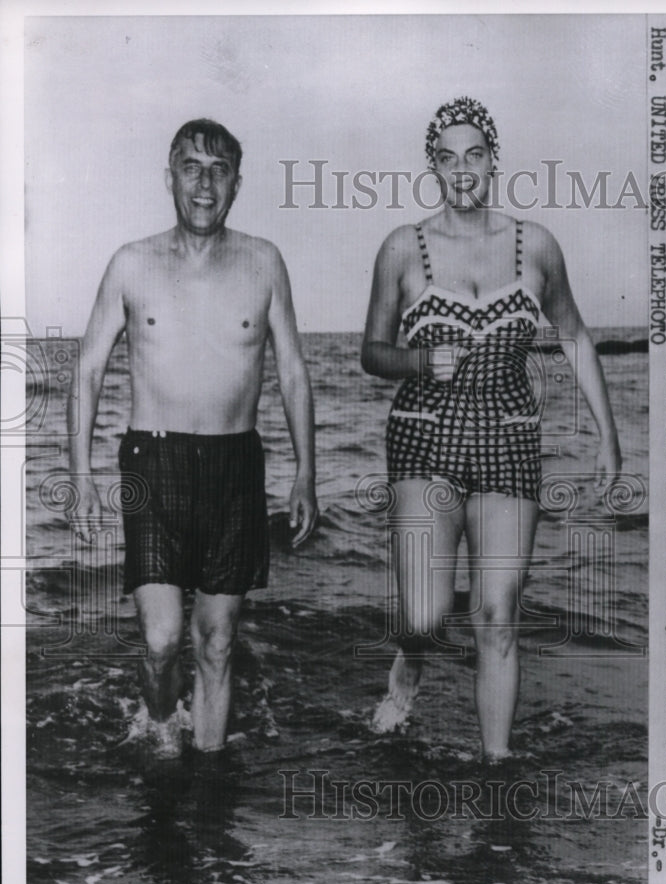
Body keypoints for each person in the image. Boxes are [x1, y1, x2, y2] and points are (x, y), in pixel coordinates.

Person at [361, 97, 621, 762]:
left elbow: (575, 336)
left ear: (493, 158)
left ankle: (496, 772)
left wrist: (608, 438)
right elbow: (371, 352)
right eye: (448, 158)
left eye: (474, 154)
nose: (463, 169)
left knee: (497, 618)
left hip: (508, 439)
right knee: (424, 615)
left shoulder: (534, 245)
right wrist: (418, 359)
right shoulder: (402, 248)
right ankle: (411, 657)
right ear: (434, 167)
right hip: (424, 439)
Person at [68, 119, 317, 756]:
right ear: (170, 176)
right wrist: (80, 474)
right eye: (191, 167)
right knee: (159, 640)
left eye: (219, 170)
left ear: (236, 184)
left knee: (218, 640)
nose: (204, 184)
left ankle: (206, 781)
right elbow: (89, 368)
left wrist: (306, 473)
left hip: (236, 463)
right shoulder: (131, 262)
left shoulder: (264, 262)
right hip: (154, 460)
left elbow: (291, 370)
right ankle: (160, 732)